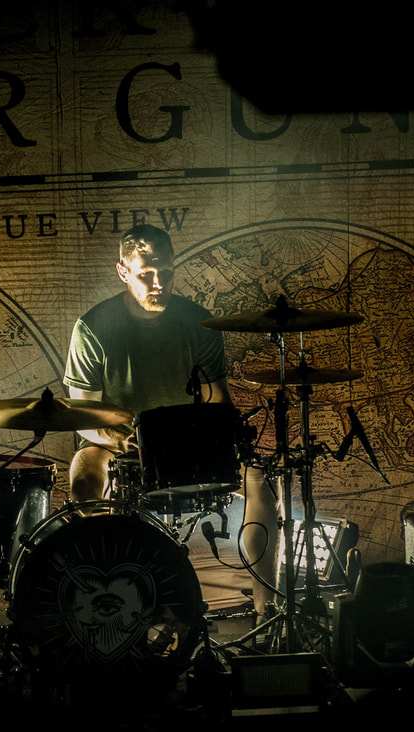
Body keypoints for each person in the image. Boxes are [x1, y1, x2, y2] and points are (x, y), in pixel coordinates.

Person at [63, 224, 279, 612]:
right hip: (117, 443)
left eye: (166, 272)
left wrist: (218, 437)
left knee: (260, 482)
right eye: (146, 274)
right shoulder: (93, 327)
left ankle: (267, 607)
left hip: (187, 442)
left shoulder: (199, 322)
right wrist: (123, 440)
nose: (159, 283)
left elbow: (216, 401)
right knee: (84, 481)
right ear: (123, 271)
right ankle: (109, 601)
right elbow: (82, 416)